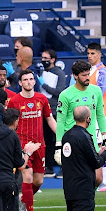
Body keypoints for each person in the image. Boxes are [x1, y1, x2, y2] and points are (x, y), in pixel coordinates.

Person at [7, 69, 56, 211]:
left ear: (35, 81)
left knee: (38, 181)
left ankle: (24, 199)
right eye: (25, 80)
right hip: (22, 145)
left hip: (40, 146)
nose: (28, 82)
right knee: (27, 176)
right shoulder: (14, 101)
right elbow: (10, 124)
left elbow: (50, 119)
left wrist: (62, 136)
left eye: (31, 79)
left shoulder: (42, 99)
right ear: (20, 83)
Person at [55, 61, 106, 186]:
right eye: (84, 75)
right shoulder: (65, 95)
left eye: (88, 74)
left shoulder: (96, 91)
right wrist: (58, 144)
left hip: (91, 139)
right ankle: (80, 203)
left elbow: (100, 114)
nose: (87, 78)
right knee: (78, 178)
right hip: (72, 141)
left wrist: (105, 136)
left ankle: (88, 199)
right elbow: (61, 121)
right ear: (75, 76)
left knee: (98, 178)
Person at [87, 43, 106, 191]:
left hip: (99, 115)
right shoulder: (91, 71)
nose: (90, 56)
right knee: (95, 145)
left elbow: (99, 93)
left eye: (92, 53)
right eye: (88, 53)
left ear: (99, 54)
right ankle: (100, 179)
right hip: (91, 115)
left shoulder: (102, 72)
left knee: (101, 145)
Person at [39, 48, 66, 176]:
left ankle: (63, 168)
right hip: (43, 110)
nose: (43, 60)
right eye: (42, 58)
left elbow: (59, 92)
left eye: (46, 58)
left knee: (59, 140)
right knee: (46, 141)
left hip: (55, 111)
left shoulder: (59, 73)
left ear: (53, 59)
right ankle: (48, 167)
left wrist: (43, 85)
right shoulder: (42, 72)